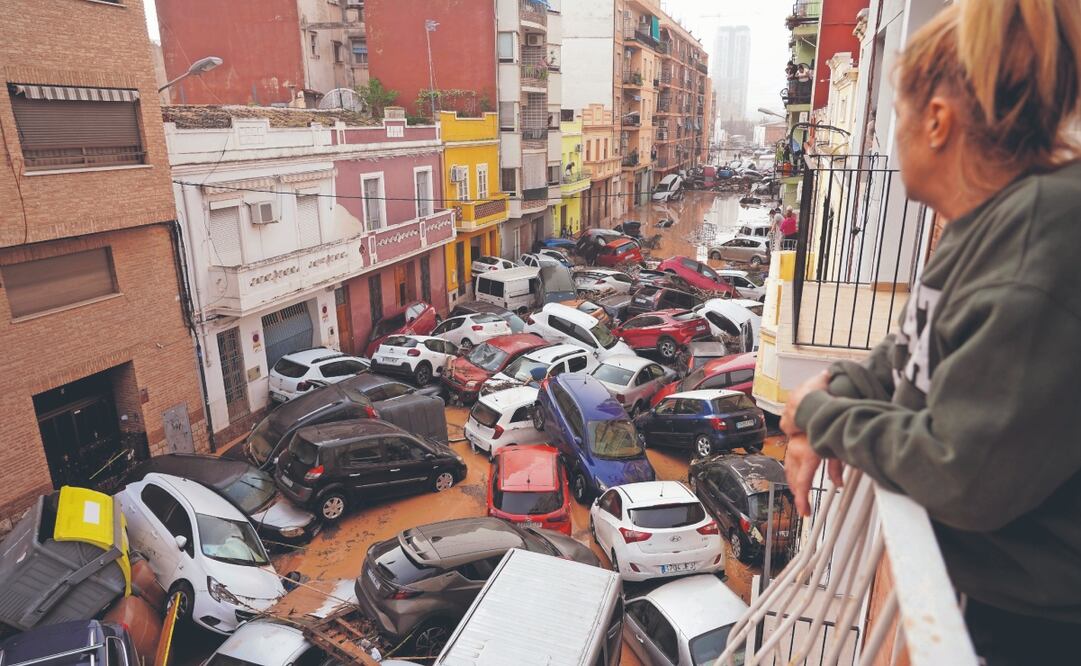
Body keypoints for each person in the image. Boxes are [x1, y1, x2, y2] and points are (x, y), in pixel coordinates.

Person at [779, 2, 1081, 664]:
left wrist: (821, 414)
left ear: (936, 121)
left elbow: (960, 473)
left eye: (900, 113)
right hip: (991, 598)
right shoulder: (986, 222)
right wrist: (832, 394)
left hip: (1032, 628)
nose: (897, 133)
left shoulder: (1040, 238)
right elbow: (905, 351)